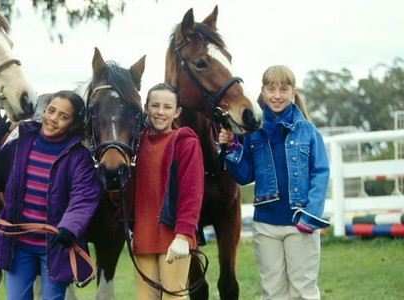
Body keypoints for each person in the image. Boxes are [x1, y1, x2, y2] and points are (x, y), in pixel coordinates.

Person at [0, 90, 100, 300]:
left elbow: (84, 197)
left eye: (63, 116)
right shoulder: (18, 145)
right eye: (52, 111)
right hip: (18, 246)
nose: (53, 119)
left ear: (74, 124)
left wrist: (69, 226)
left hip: (55, 247)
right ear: (44, 111)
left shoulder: (80, 158)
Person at [218, 65, 330, 300]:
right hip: (266, 226)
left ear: (293, 92)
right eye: (271, 89)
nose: (277, 95)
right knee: (273, 291)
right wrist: (232, 148)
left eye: (283, 89)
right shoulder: (251, 133)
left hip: (300, 222)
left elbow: (320, 173)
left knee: (302, 290)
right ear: (262, 91)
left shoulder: (308, 132)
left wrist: (311, 214)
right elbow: (244, 175)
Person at [131, 83, 204, 300]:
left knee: (174, 296)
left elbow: (192, 193)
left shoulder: (186, 143)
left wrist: (183, 235)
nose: (160, 112)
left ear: (177, 111)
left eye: (167, 107)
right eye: (155, 105)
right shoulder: (137, 143)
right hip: (143, 235)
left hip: (174, 237)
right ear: (146, 108)